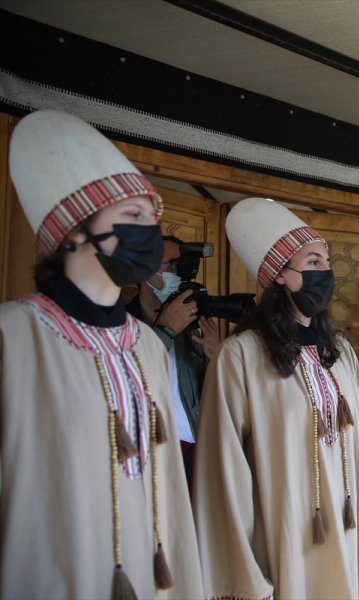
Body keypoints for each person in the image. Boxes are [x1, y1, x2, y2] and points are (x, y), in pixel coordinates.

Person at [0, 110, 202, 598]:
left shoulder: (146, 349)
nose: (148, 234)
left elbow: (169, 483)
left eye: (151, 220)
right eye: (132, 217)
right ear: (74, 230)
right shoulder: (14, 336)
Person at [192, 198, 359, 599]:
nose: (326, 272)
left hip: (347, 530)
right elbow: (224, 470)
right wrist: (241, 570)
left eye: (327, 262)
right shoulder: (241, 355)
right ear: (280, 274)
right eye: (313, 262)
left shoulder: (341, 352)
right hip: (285, 537)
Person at [126, 235, 219, 484]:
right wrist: (164, 331)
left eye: (184, 265)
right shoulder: (122, 324)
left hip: (195, 449)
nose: (179, 273)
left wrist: (217, 359)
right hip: (145, 453)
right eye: (172, 265)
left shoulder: (193, 326)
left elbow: (212, 397)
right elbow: (125, 379)